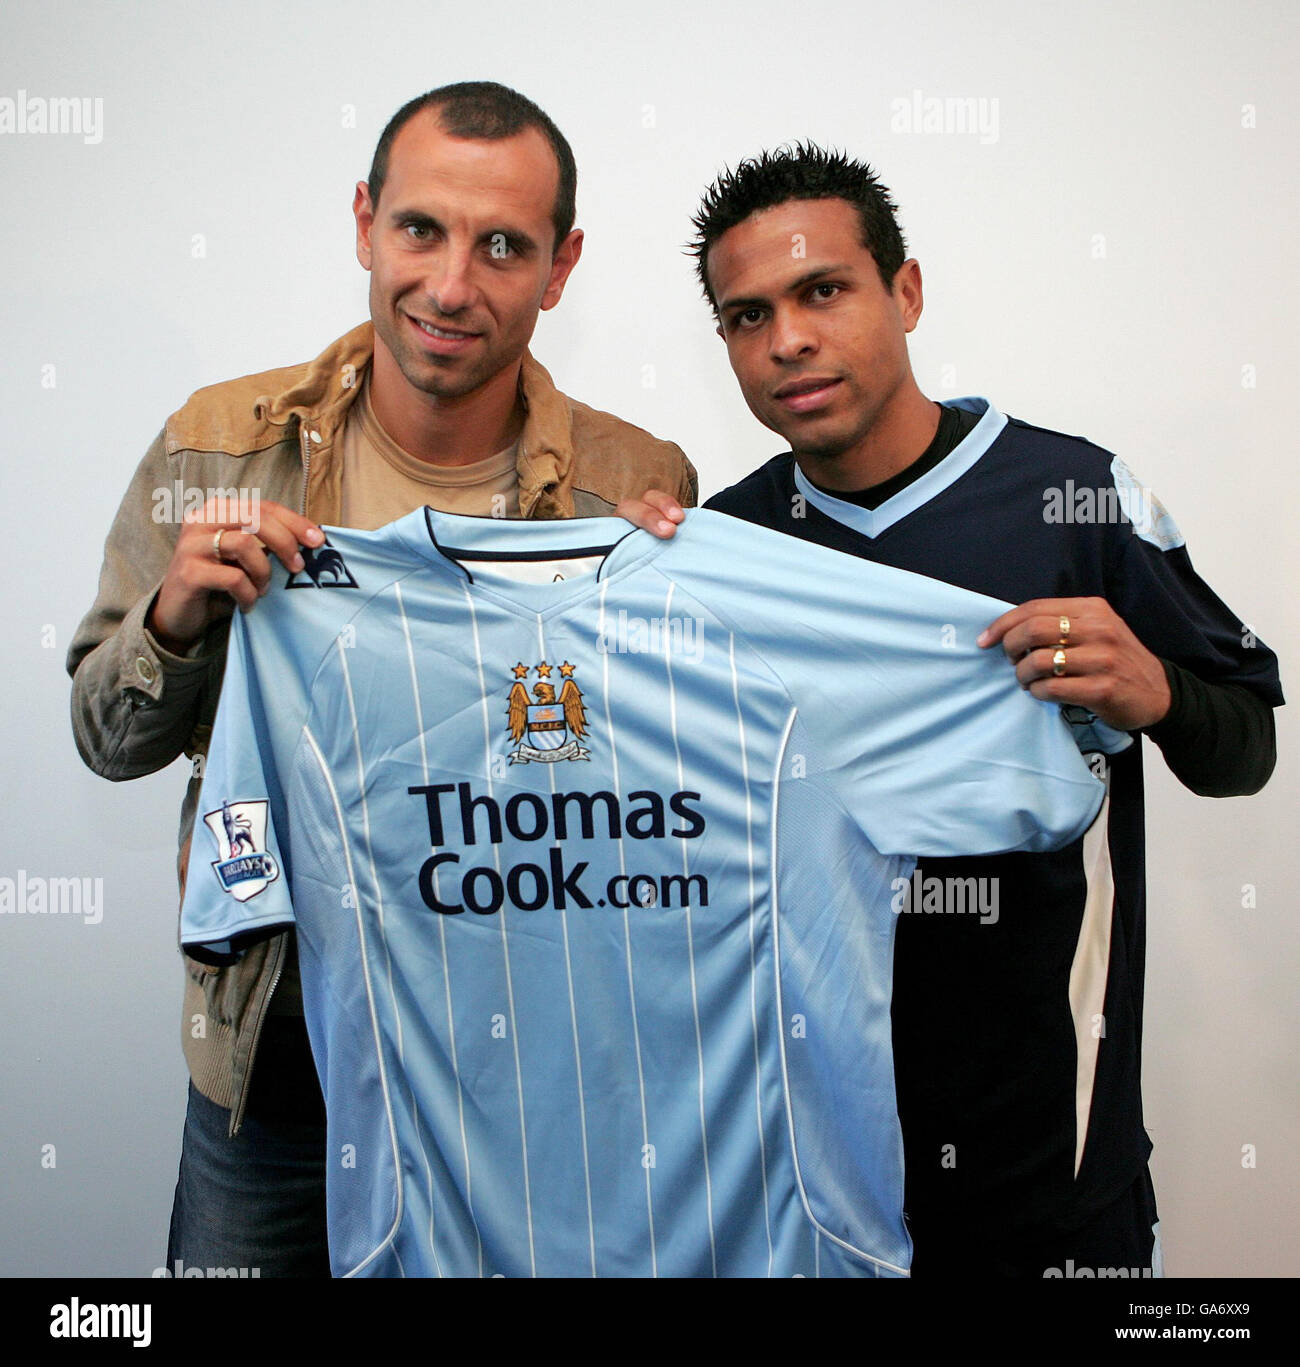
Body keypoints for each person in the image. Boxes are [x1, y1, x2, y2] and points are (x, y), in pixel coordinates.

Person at [67, 80, 695, 1277]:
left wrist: (680, 621)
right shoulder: (216, 442)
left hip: (525, 1079)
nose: (452, 285)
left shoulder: (638, 483)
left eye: (503, 245)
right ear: (364, 222)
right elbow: (106, 739)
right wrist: (177, 614)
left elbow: (665, 812)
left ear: (560, 268)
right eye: (421, 229)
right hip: (277, 1070)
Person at [619, 143, 1281, 1276]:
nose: (787, 340)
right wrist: (620, 603)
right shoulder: (721, 549)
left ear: (905, 290)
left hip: (1052, 1171)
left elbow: (1246, 748)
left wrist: (1160, 690)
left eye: (822, 290)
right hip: (800, 1175)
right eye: (746, 315)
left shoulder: (1079, 499)